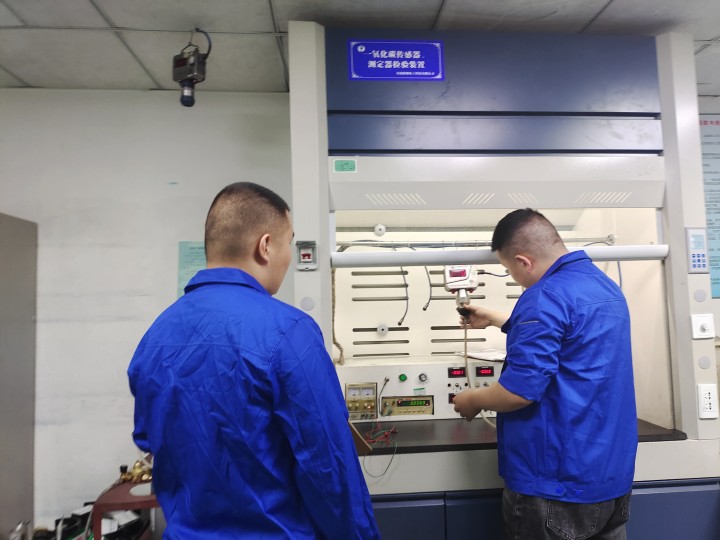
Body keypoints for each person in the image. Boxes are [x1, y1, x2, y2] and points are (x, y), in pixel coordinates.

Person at [128, 182, 380, 539]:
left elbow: (148, 439)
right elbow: (329, 466)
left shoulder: (155, 337)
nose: (289, 256)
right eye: (289, 242)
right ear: (265, 246)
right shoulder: (289, 332)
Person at [453, 208, 637, 540]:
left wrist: (473, 399)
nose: (514, 278)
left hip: (554, 484)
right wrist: (498, 319)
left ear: (523, 261)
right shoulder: (604, 287)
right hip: (610, 478)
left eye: (509, 270)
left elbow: (518, 392)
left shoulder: (543, 296)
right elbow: (573, 341)